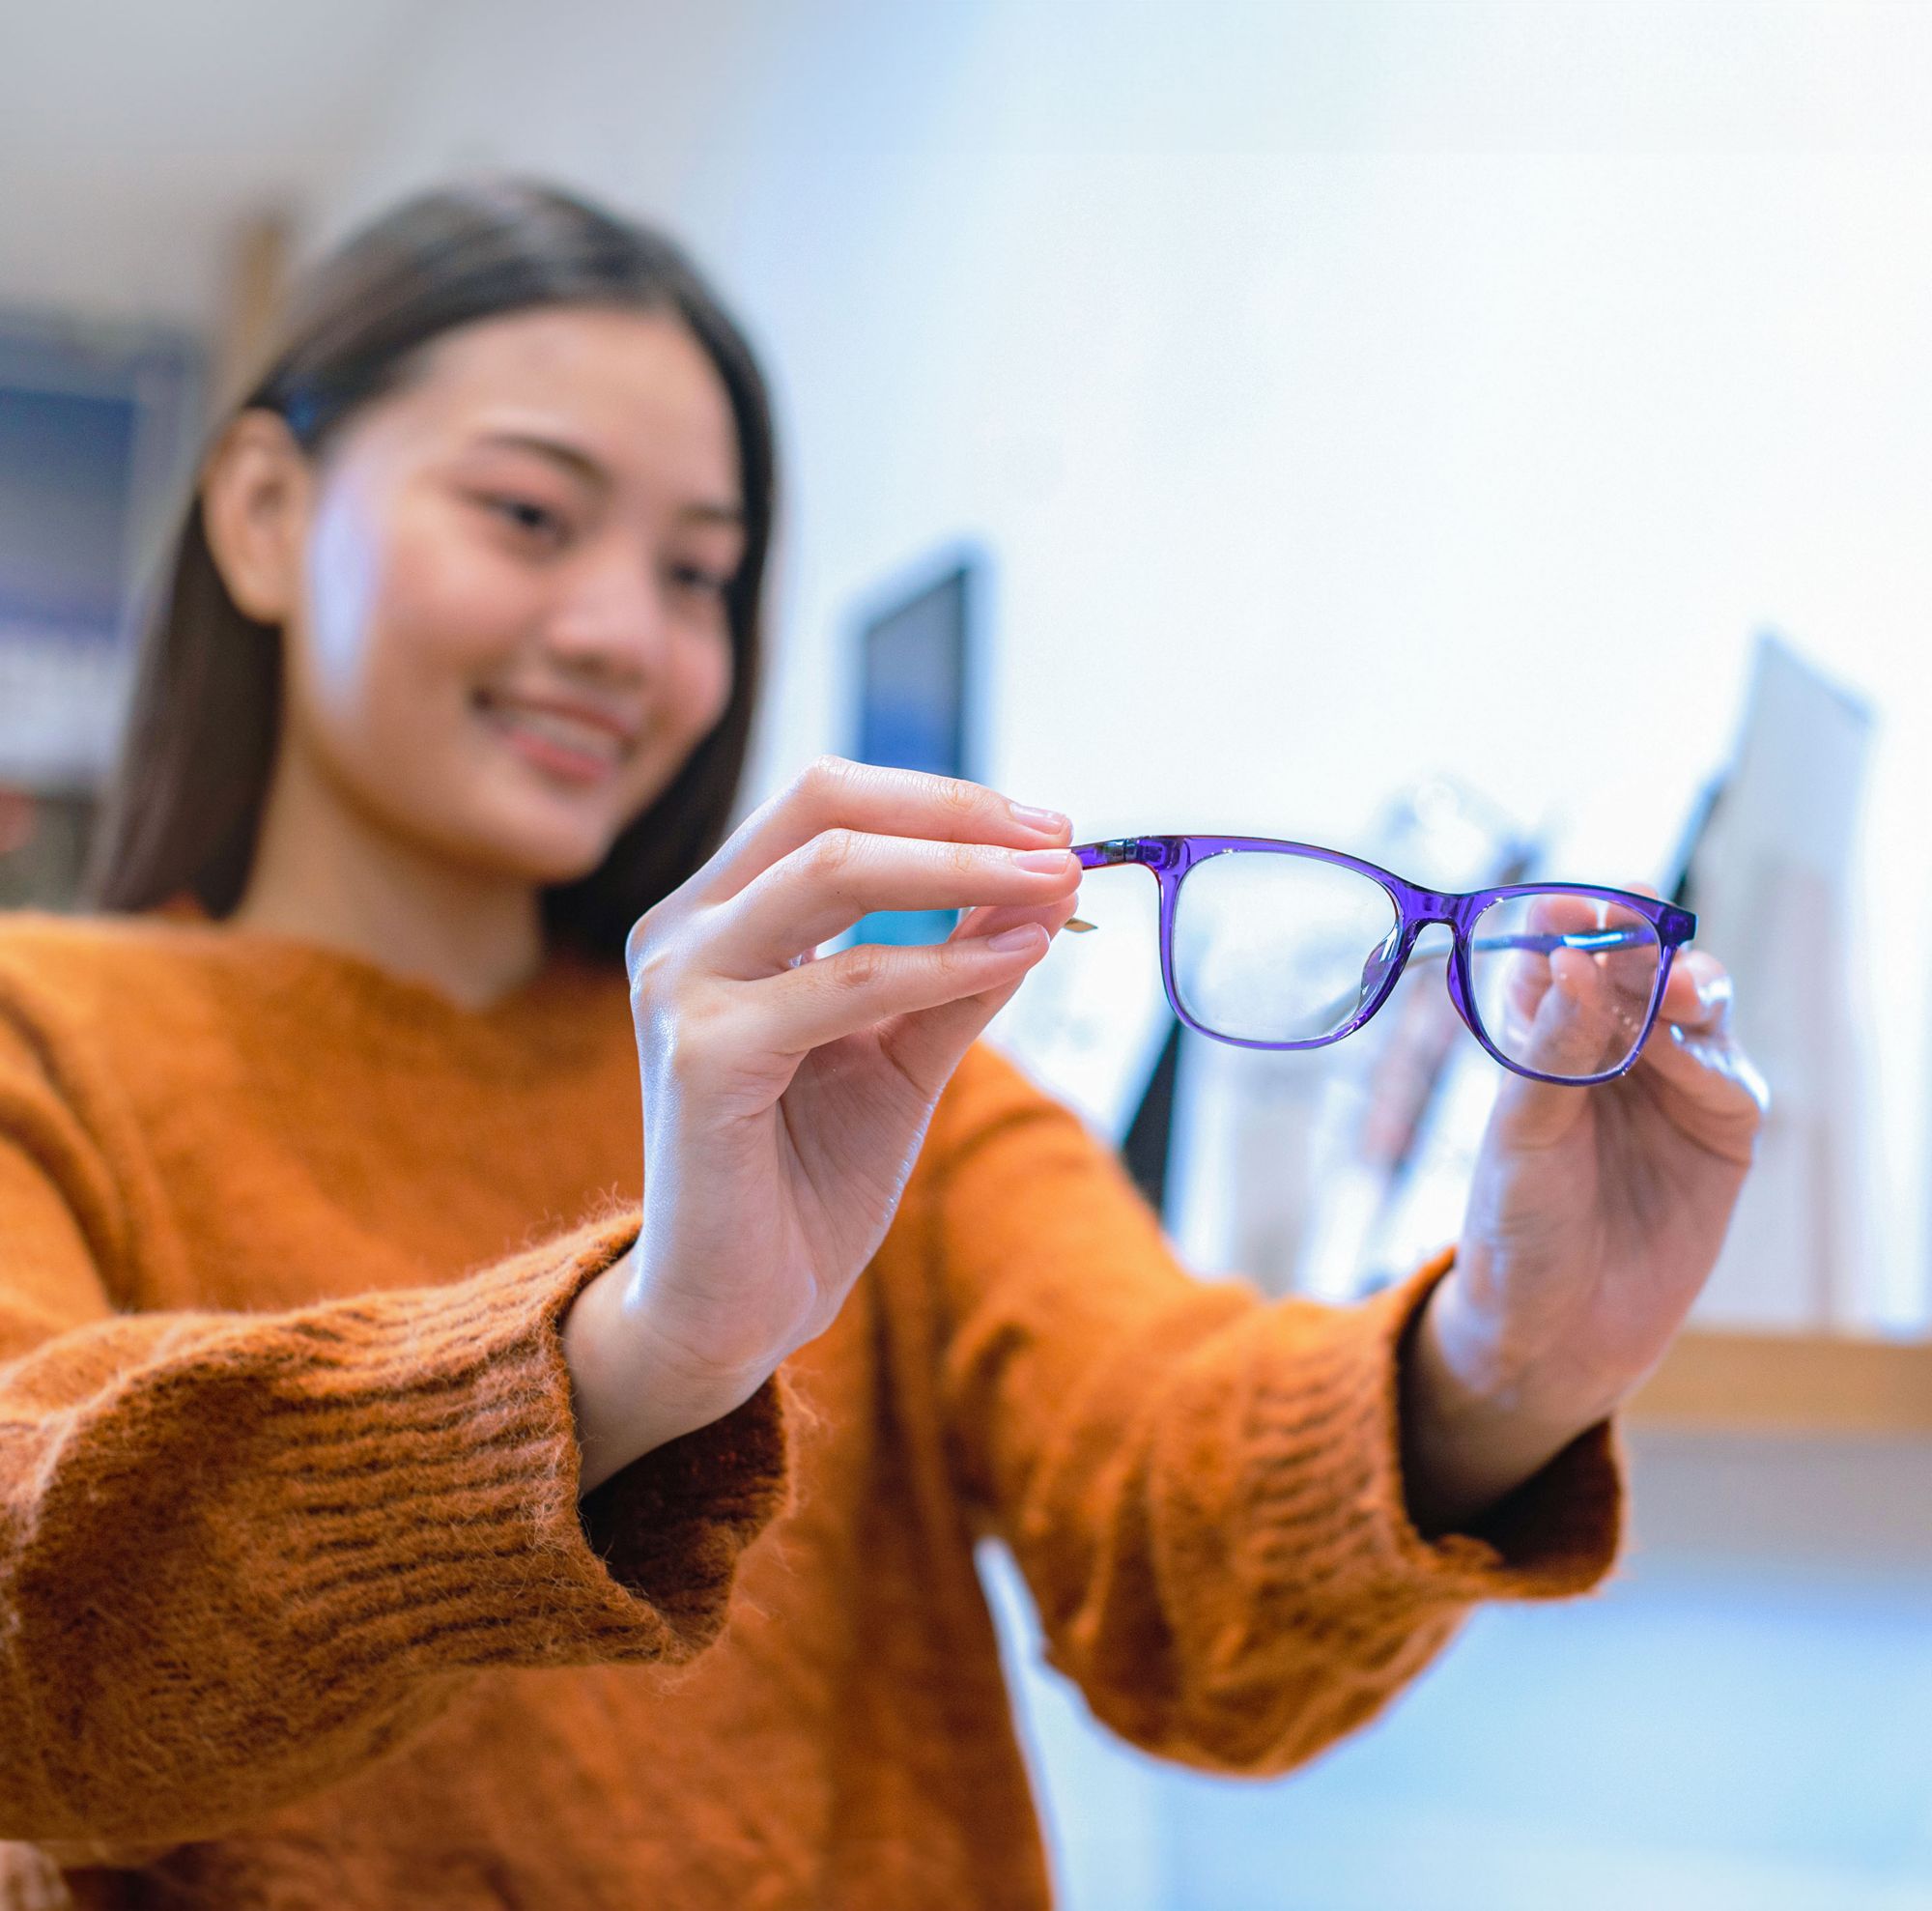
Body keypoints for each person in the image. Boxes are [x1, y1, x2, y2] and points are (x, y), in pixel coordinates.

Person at [0, 180, 1765, 1910]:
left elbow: (1186, 1580)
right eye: (532, 517)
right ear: (258, 510)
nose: (629, 636)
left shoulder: (854, 1069)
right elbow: (32, 1639)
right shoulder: (45, 1033)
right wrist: (627, 1355)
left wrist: (1497, 1370)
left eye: (701, 572)